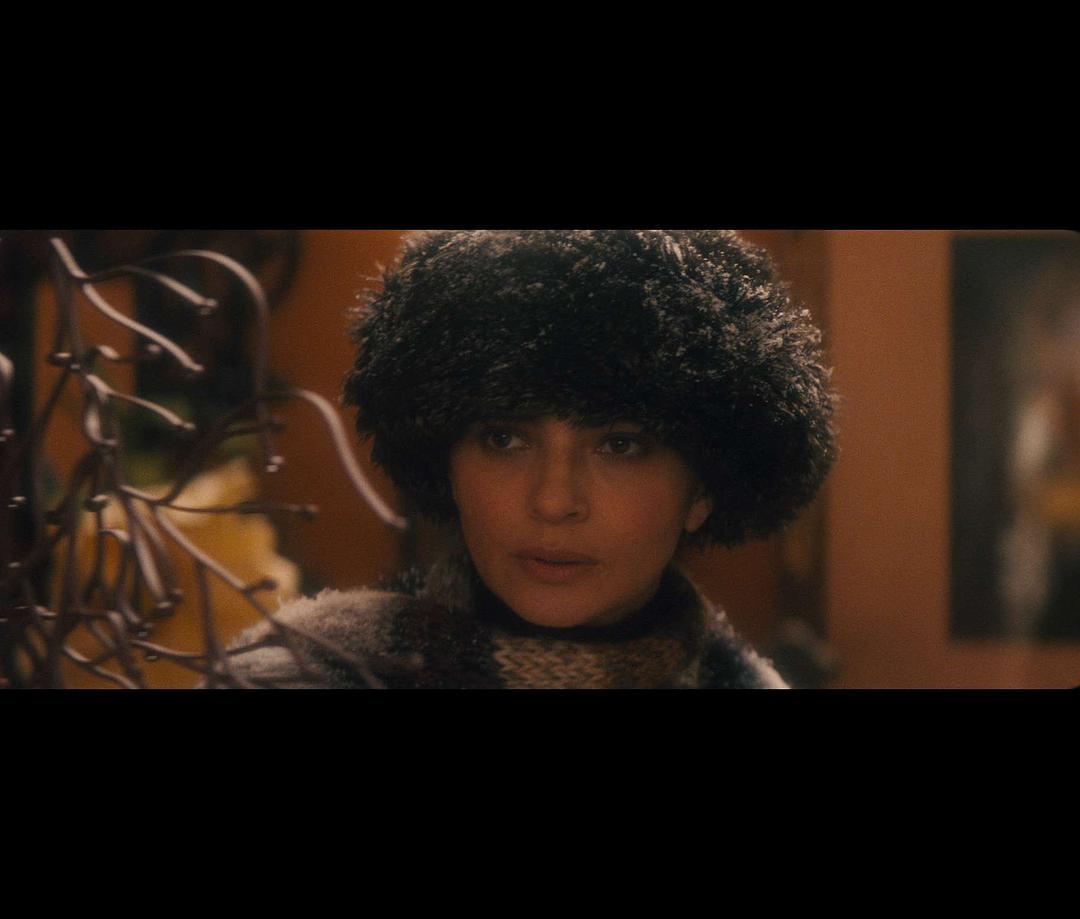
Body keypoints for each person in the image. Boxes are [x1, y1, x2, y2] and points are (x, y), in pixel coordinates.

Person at [216, 230, 839, 689]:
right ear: (445, 459)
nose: (553, 500)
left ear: (703, 488)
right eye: (504, 439)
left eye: (619, 445)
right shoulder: (297, 674)